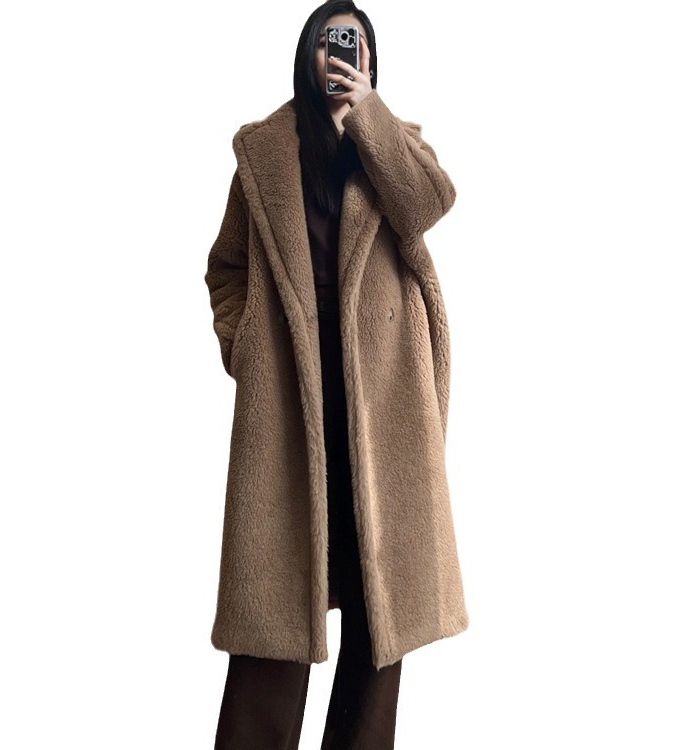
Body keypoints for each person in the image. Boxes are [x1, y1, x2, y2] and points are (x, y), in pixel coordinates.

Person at [204, 2, 469, 747]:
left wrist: (369, 117)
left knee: (380, 614)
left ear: (370, 59)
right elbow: (225, 269)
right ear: (307, 54)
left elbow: (429, 205)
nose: (339, 54)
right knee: (273, 613)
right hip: (288, 393)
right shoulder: (263, 153)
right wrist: (244, 343)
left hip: (380, 398)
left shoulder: (395, 144)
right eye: (329, 41)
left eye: (352, 43)